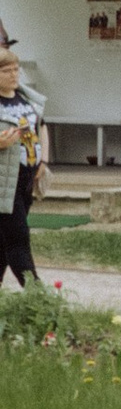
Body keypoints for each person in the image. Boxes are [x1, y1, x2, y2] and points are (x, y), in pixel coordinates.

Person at [0, 39, 44, 288]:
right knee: (18, 238)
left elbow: (41, 126)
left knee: (3, 241)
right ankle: (38, 296)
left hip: (26, 176)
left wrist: (43, 161)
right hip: (4, 181)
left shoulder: (27, 98)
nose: (14, 75)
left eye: (16, 69)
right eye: (6, 71)